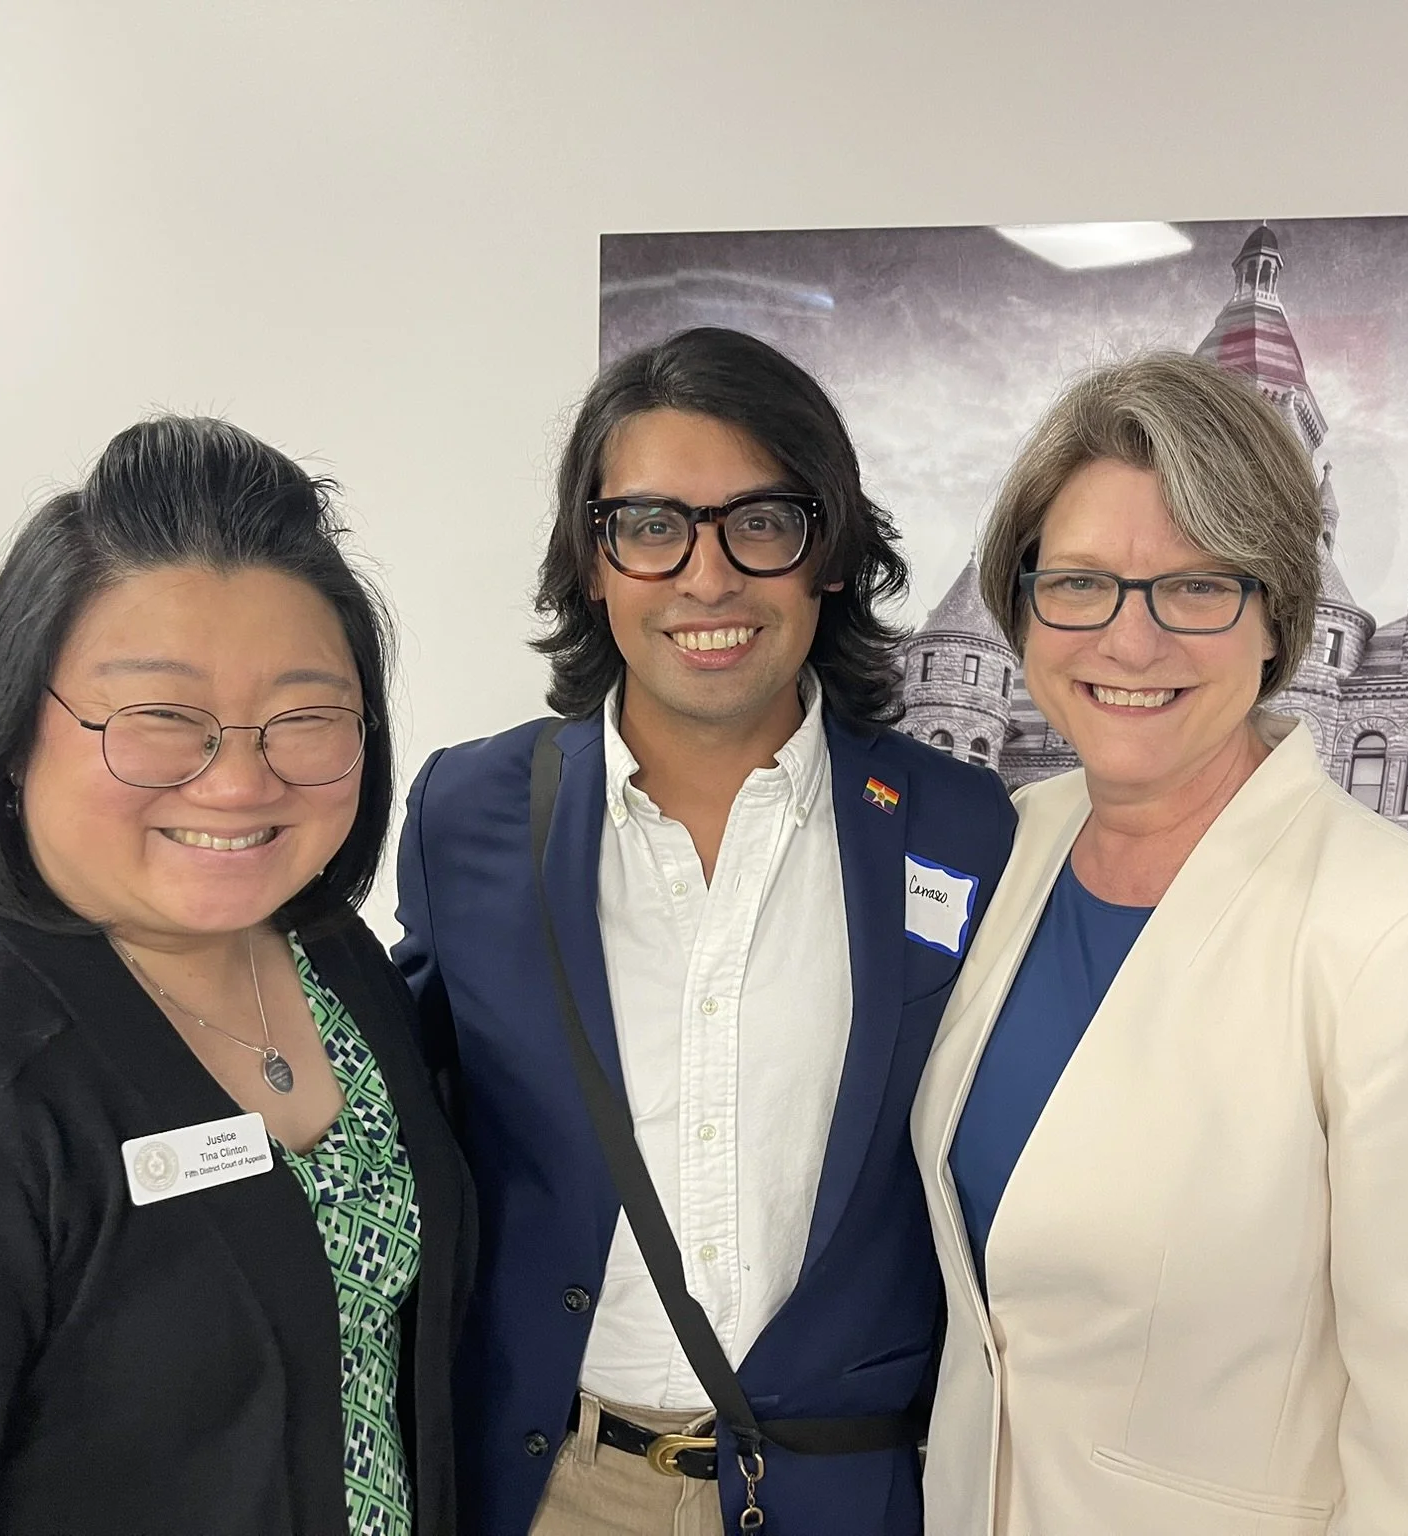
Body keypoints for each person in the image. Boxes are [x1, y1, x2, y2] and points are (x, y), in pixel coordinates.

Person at [910, 353, 1408, 1535]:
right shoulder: (1004, 849)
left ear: (1276, 616)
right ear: (1022, 609)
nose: (1128, 641)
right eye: (1077, 584)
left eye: (1195, 587)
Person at [0, 417, 475, 1536]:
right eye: (162, 721)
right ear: (14, 724)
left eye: (303, 719)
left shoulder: (327, 952)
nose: (237, 783)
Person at [395, 326, 1016, 1536]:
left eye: (760, 523)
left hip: (839, 1496)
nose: (707, 576)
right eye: (650, 525)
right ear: (592, 561)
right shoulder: (468, 813)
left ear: (825, 554)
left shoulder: (958, 826)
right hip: (552, 1485)